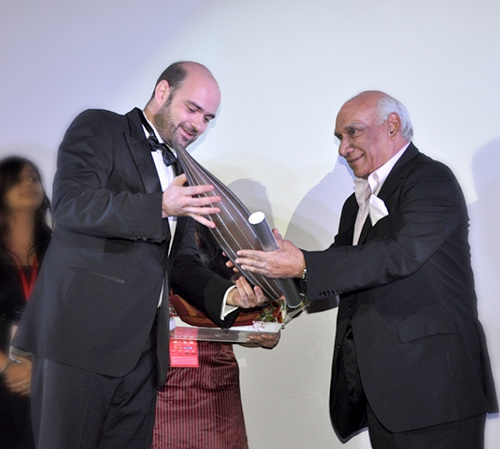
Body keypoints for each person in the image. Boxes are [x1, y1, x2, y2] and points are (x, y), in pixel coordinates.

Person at [13, 61, 267, 449]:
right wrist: (159, 206)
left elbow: (178, 264)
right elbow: (71, 205)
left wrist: (231, 296)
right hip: (79, 346)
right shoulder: (100, 127)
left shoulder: (186, 169)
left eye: (208, 118)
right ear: (162, 92)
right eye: (192, 109)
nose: (198, 125)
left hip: (145, 358)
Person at [235, 90, 498, 449]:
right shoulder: (353, 204)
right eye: (339, 138)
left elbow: (398, 254)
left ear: (392, 126)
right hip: (387, 396)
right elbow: (338, 271)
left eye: (352, 132)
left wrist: (304, 263)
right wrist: (273, 280)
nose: (343, 148)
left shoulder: (431, 179)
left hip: (437, 391)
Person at [152, 223, 280, 449]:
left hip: (216, 378)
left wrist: (263, 333)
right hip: (164, 381)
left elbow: (246, 311)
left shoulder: (227, 238)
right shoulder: (152, 227)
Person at [0, 156, 51, 449]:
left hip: (45, 380)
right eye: (18, 179)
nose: (29, 184)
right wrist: (7, 366)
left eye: (34, 178)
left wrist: (39, 370)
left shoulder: (59, 249)